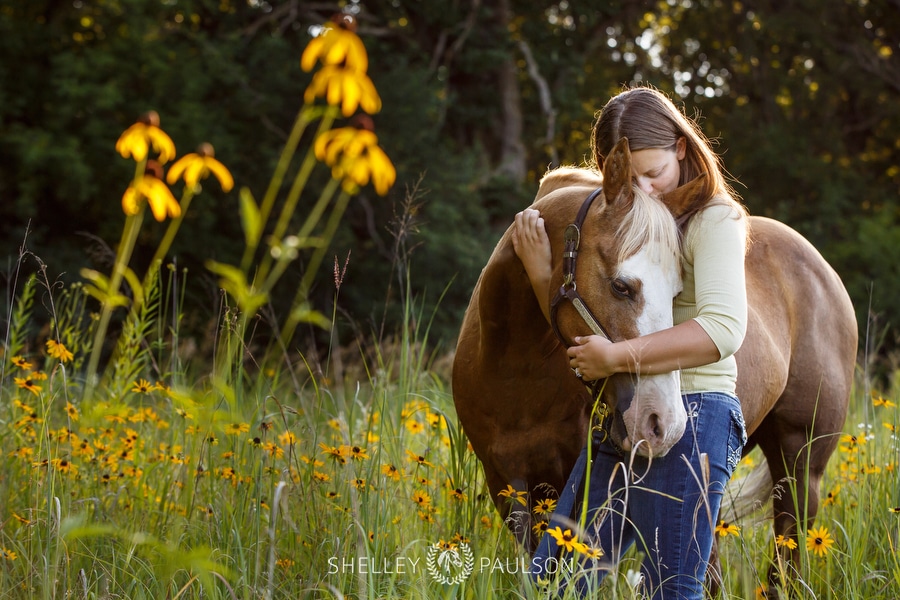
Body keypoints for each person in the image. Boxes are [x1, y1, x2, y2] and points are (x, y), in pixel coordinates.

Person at [512, 86, 749, 599]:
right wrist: (541, 277)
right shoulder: (636, 221)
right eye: (629, 176)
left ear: (682, 148)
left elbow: (724, 329)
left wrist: (616, 357)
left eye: (654, 172)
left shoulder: (714, 220)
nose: (644, 188)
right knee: (557, 582)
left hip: (696, 406)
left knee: (667, 589)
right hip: (622, 406)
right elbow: (594, 324)